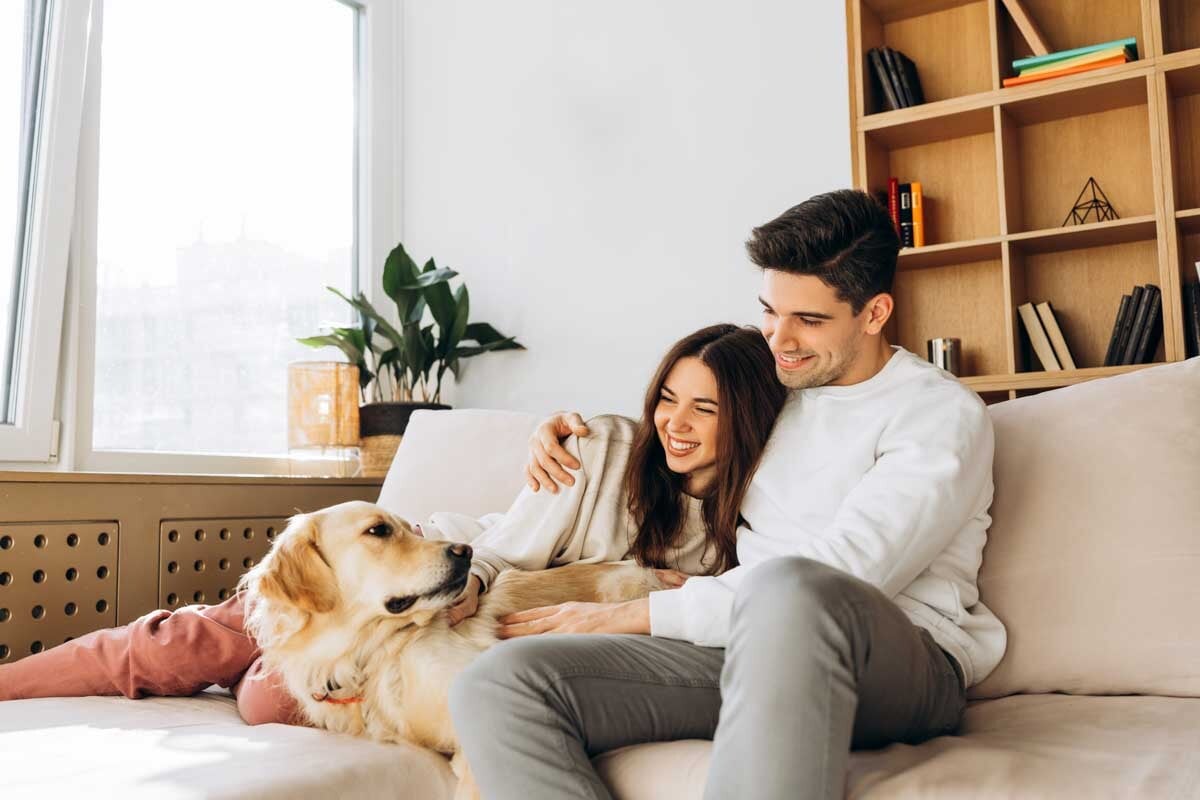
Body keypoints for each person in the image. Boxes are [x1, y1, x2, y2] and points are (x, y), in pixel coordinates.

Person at [447, 189, 1009, 800]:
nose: (779, 338)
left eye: (810, 321)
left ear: (874, 314)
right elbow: (670, 440)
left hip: (900, 658)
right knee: (496, 683)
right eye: (770, 311)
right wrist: (566, 440)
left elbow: (851, 569)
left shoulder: (936, 413)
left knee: (792, 587)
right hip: (746, 642)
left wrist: (632, 614)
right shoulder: (775, 389)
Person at [0, 324, 787, 726]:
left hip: (434, 615)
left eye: (705, 408)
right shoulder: (604, 445)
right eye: (667, 399)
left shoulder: (735, 532)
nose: (675, 423)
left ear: (746, 418)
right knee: (186, 644)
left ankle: (262, 667)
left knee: (271, 701)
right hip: (410, 570)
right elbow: (504, 546)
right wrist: (456, 586)